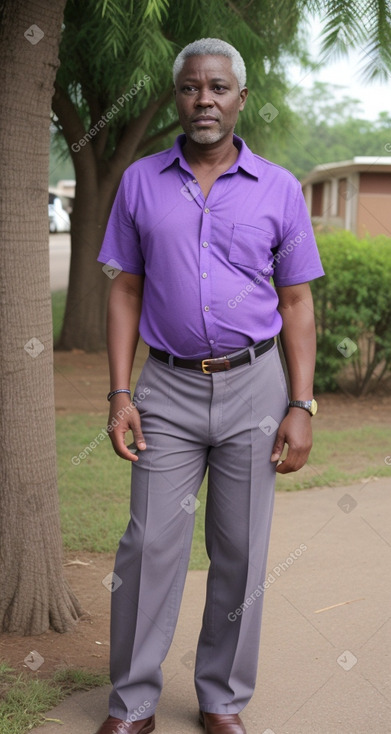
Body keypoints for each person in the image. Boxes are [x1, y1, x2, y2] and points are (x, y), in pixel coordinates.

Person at [95, 38, 324, 734]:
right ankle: (132, 703)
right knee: (148, 545)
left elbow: (296, 305)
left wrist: (300, 403)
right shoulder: (139, 182)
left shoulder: (280, 189)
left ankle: (221, 699)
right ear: (176, 97)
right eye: (192, 88)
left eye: (218, 88)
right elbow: (125, 291)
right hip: (164, 391)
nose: (204, 100)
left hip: (257, 387)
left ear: (239, 99)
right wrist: (119, 394)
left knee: (241, 549)